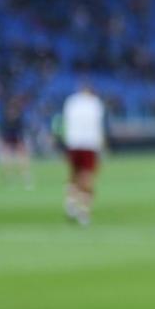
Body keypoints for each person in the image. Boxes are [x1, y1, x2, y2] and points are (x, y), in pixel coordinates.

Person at [59, 81, 106, 226]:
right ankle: (84, 212)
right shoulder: (95, 103)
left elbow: (65, 123)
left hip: (74, 143)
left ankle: (71, 203)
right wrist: (102, 147)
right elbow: (98, 126)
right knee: (88, 176)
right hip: (89, 144)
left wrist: (64, 143)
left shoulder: (71, 101)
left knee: (73, 174)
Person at [0, 96, 32, 188]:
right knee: (7, 160)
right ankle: (9, 177)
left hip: (17, 139)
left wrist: (23, 142)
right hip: (8, 140)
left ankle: (26, 177)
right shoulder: (5, 119)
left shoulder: (19, 119)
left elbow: (22, 132)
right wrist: (1, 142)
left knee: (22, 160)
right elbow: (2, 133)